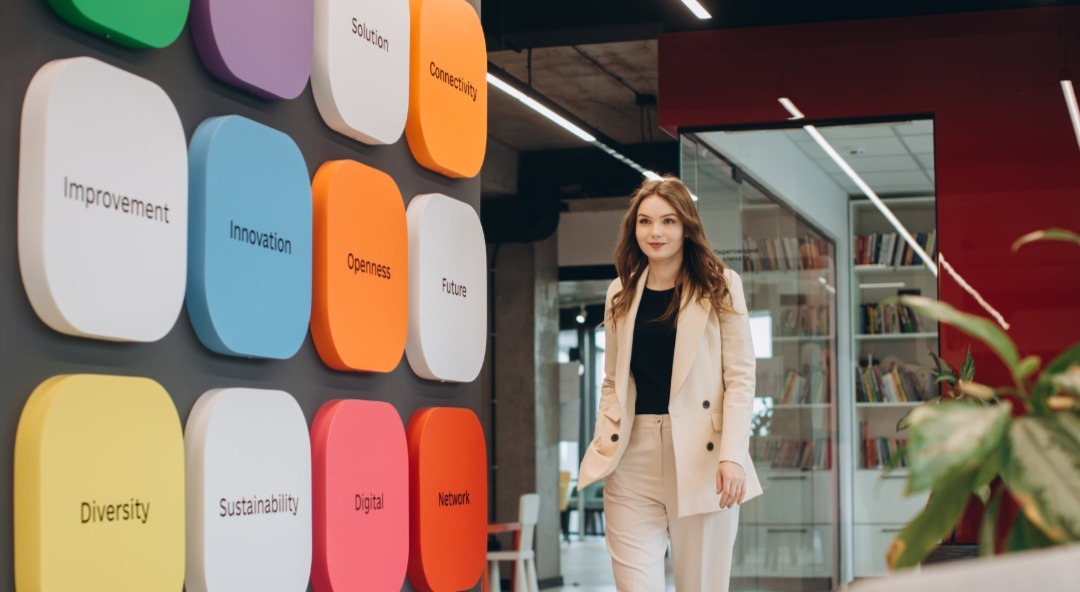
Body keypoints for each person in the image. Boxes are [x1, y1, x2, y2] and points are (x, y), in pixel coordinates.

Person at [577, 176, 762, 592]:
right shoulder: (619, 293)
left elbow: (740, 377)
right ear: (633, 228)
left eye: (667, 221)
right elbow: (612, 379)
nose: (655, 232)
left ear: (686, 227)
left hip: (703, 458)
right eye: (645, 222)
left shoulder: (721, 285)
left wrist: (732, 453)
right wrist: (605, 435)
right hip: (632, 457)